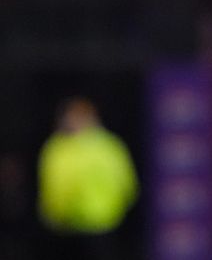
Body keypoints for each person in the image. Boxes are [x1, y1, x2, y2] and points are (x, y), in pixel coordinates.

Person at [37, 97, 139, 260]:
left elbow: (126, 183)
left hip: (101, 223)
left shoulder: (108, 146)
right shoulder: (57, 147)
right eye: (73, 116)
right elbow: (51, 186)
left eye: (81, 115)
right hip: (66, 226)